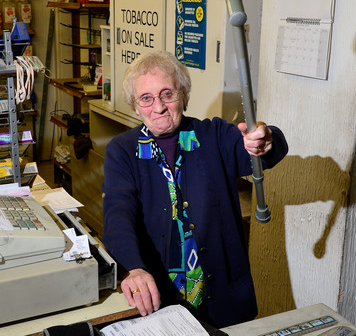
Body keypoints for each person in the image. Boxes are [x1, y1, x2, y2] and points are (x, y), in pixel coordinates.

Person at [101, 50, 288, 328]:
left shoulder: (213, 135)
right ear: (136, 106)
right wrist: (134, 268)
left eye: (167, 94)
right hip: (160, 301)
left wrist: (265, 140)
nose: (159, 107)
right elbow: (118, 213)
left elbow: (265, 148)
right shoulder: (123, 150)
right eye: (146, 98)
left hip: (224, 302)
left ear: (184, 96)